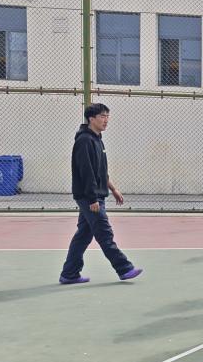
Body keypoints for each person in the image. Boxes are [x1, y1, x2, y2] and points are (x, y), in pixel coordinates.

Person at [59, 103, 142, 285]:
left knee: (83, 236)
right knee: (104, 233)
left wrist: (113, 189)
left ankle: (69, 274)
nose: (106, 120)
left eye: (107, 116)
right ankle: (124, 268)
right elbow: (86, 172)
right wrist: (92, 198)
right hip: (90, 197)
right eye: (102, 116)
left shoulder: (97, 139)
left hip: (96, 195)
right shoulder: (84, 141)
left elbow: (100, 171)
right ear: (91, 119)